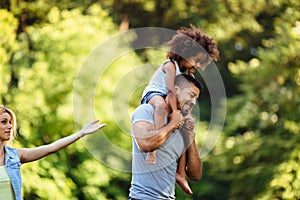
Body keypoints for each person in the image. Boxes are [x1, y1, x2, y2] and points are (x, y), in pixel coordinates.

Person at [140, 24, 219, 194]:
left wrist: (184, 120)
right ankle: (152, 152)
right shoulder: (171, 66)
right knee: (161, 105)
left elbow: (186, 96)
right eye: (196, 60)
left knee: (185, 126)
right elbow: (170, 90)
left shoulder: (188, 76)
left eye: (201, 63)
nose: (197, 65)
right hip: (156, 94)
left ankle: (181, 172)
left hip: (171, 99)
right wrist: (175, 113)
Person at [0, 105, 106, 200]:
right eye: (4, 122)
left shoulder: (14, 156)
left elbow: (51, 148)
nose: (9, 126)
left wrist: (81, 133)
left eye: (10, 122)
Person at [129, 74, 203, 199]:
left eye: (196, 98)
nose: (194, 102)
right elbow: (146, 144)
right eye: (191, 95)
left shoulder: (183, 127)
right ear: (176, 89)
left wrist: (190, 135)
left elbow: (195, 174)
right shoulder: (146, 111)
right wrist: (172, 124)